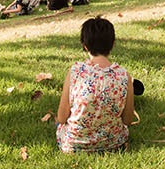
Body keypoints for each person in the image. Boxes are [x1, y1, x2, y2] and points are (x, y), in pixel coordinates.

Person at [56, 17, 135, 153]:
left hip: (74, 145)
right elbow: (128, 120)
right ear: (113, 44)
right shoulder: (123, 75)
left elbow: (62, 117)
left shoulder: (76, 71)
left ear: (85, 45)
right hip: (114, 144)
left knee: (58, 124)